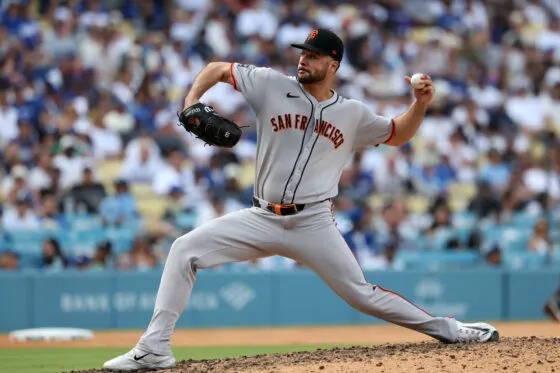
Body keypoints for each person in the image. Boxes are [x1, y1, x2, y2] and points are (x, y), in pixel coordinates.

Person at [103, 29, 499, 371]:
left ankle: (450, 329)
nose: (303, 60)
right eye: (302, 54)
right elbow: (217, 69)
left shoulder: (353, 113)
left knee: (362, 294)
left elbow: (397, 134)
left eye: (313, 56)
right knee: (184, 249)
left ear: (333, 64)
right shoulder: (271, 83)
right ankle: (154, 348)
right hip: (261, 216)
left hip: (314, 224)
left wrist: (421, 105)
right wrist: (191, 102)